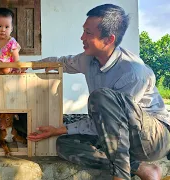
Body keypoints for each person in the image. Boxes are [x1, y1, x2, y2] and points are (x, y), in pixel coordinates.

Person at [27, 4, 170, 180]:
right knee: (63, 144)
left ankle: (121, 176)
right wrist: (25, 68)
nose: (82, 37)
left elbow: (115, 123)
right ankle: (140, 168)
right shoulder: (88, 59)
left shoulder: (132, 72)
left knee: (101, 97)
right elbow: (61, 63)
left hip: (152, 138)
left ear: (109, 39)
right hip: (114, 132)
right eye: (83, 31)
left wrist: (59, 128)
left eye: (88, 33)